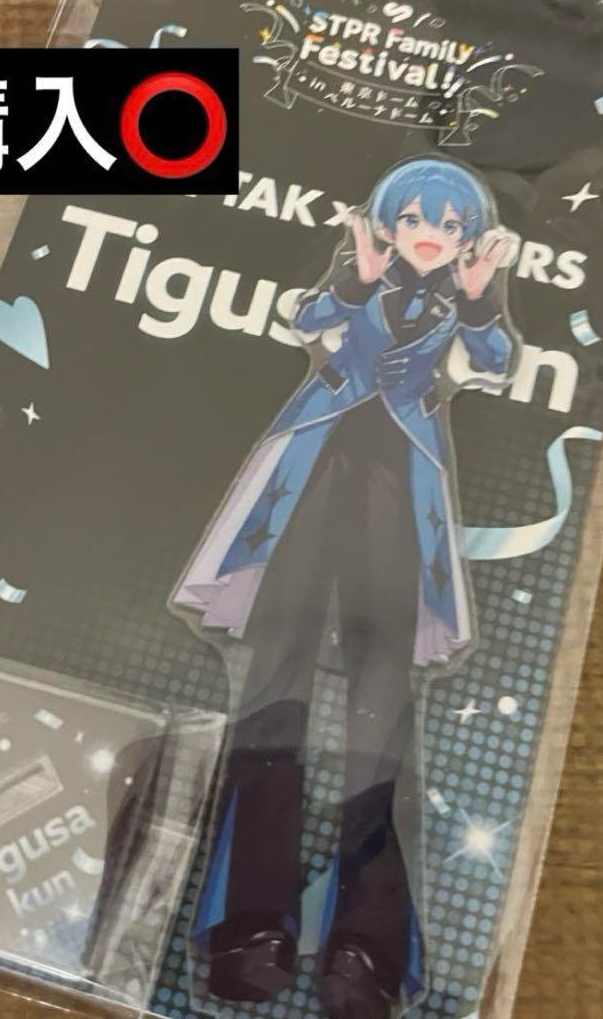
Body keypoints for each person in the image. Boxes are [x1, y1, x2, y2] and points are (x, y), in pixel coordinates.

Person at [174, 157, 519, 1019]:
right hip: (315, 469)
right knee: (274, 682)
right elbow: (307, 317)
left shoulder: (459, 301)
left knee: (383, 702)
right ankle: (245, 925)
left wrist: (482, 303)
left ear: (467, 239)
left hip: (399, 486)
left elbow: (497, 360)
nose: (430, 235)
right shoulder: (363, 280)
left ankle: (368, 947)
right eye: (416, 220)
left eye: (448, 225)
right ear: (392, 225)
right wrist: (352, 280)